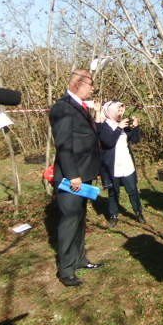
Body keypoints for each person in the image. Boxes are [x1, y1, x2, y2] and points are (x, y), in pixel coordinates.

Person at [49, 69, 103, 287]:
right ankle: (66, 269)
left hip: (85, 174)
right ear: (78, 84)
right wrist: (73, 175)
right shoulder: (62, 108)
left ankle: (79, 259)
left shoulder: (81, 107)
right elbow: (63, 145)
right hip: (72, 177)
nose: (93, 89)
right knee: (69, 220)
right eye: (90, 85)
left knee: (80, 219)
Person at [99, 101, 145, 228]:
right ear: (110, 112)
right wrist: (119, 127)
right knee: (113, 192)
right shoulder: (104, 126)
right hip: (112, 166)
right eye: (118, 111)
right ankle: (113, 216)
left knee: (133, 190)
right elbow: (108, 142)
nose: (120, 113)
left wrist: (135, 127)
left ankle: (138, 212)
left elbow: (135, 140)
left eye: (121, 111)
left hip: (126, 164)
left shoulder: (123, 126)